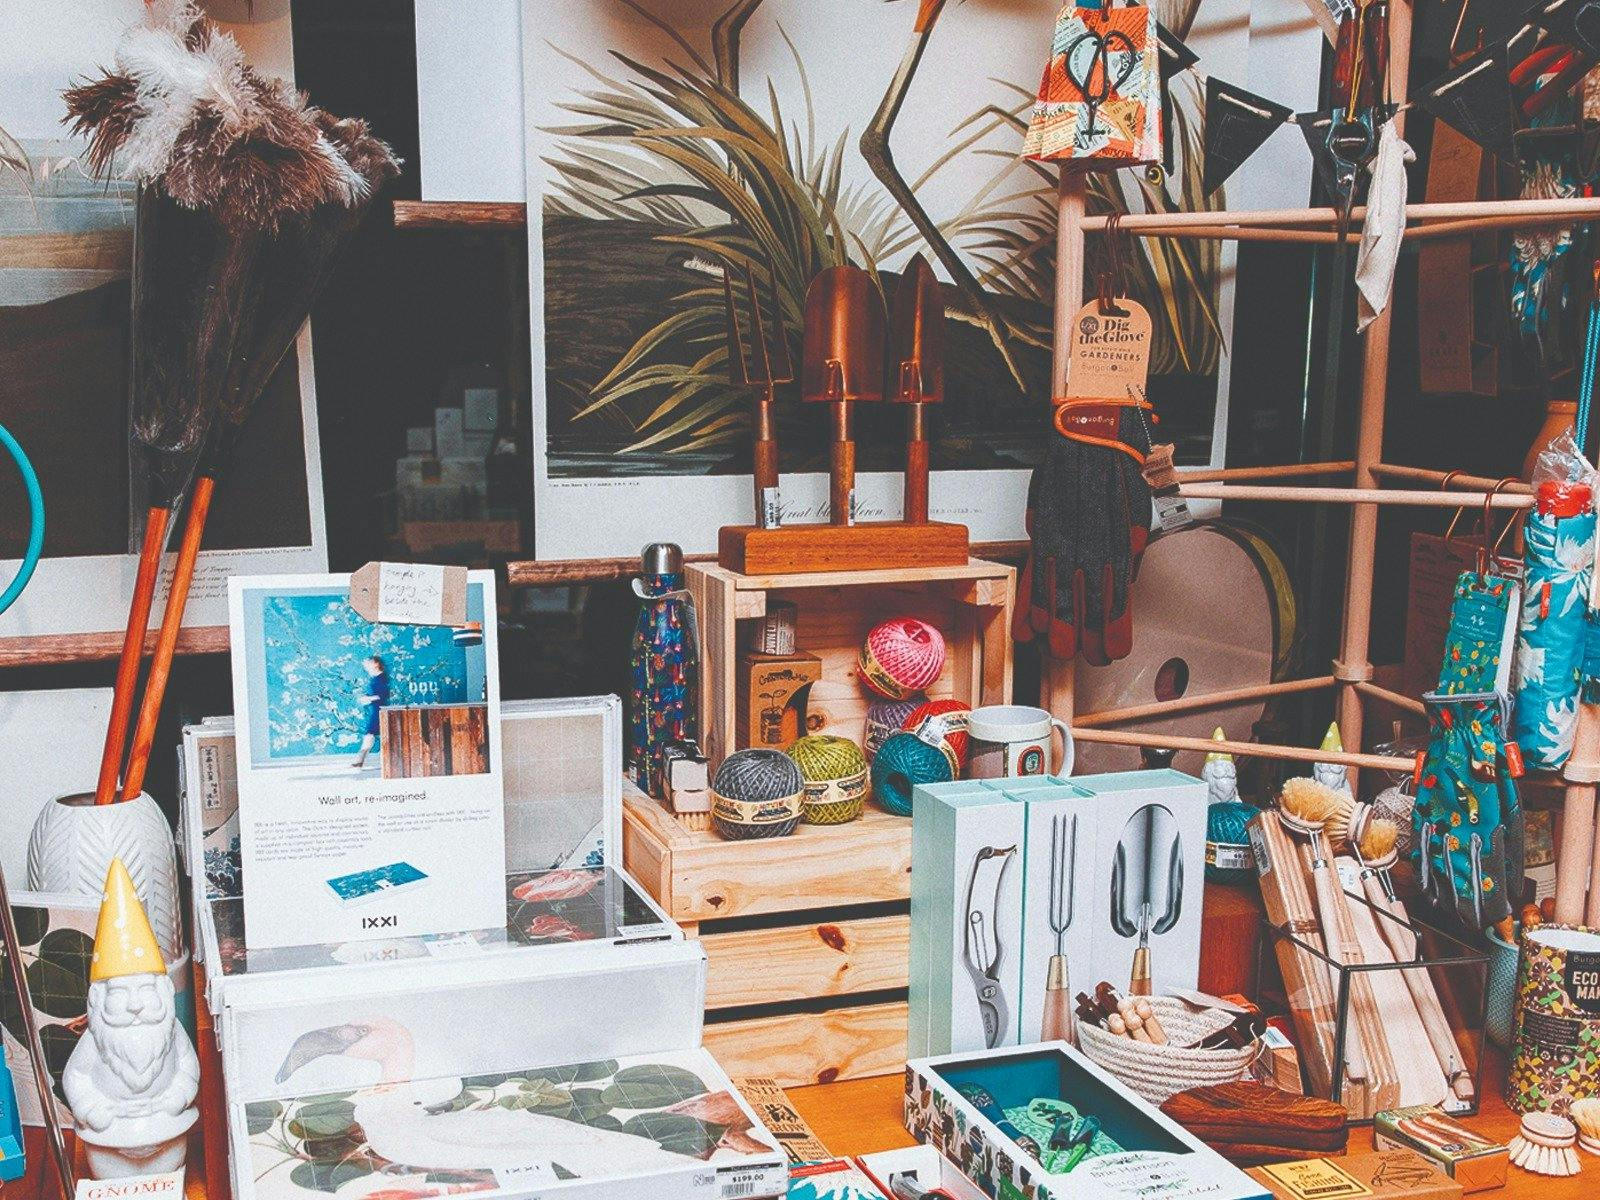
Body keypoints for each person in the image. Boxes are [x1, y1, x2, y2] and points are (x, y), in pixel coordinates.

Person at [351, 654, 390, 768]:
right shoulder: (377, 678)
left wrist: (368, 699)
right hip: (377, 710)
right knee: (372, 734)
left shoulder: (381, 678)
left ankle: (360, 760)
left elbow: (382, 695)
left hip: (379, 710)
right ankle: (360, 760)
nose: (368, 666)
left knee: (371, 734)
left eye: (370, 663)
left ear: (376, 664)